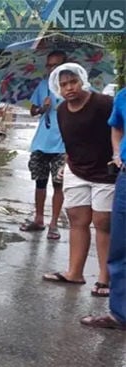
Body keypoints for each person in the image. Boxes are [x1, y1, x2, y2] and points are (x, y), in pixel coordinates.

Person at [42, 63, 115, 299]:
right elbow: (71, 142)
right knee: (77, 219)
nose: (69, 88)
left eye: (73, 82)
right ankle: (75, 272)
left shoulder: (104, 104)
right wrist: (66, 164)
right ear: (57, 88)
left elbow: (119, 130)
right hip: (76, 169)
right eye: (63, 85)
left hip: (106, 172)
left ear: (82, 80)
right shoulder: (62, 110)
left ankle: (105, 278)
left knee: (103, 221)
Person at [80, 86, 126, 330]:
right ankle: (120, 313)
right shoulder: (123, 97)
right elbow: (116, 126)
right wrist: (117, 152)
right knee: (120, 247)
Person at [19, 51, 68, 240]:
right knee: (40, 182)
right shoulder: (43, 85)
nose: (51, 69)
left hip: (63, 144)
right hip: (42, 142)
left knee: (58, 184)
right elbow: (33, 111)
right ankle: (39, 219)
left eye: (56, 65)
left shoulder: (70, 87)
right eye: (49, 65)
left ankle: (54, 224)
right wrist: (42, 108)